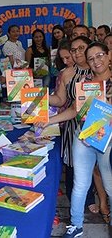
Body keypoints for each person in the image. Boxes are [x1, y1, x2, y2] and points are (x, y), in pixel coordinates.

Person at [61, 42, 112, 238]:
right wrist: (47, 119)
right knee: (80, 183)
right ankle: (76, 225)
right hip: (83, 138)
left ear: (108, 56)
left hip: (107, 141)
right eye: (91, 58)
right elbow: (74, 111)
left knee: (109, 185)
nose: (96, 61)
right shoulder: (87, 85)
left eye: (99, 55)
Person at [48, 36, 97, 213]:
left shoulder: (98, 71)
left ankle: (92, 198)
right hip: (72, 126)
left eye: (81, 49)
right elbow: (61, 100)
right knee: (73, 165)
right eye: (74, 50)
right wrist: (39, 96)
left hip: (98, 127)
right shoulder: (67, 73)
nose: (76, 53)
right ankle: (75, 205)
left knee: (98, 168)